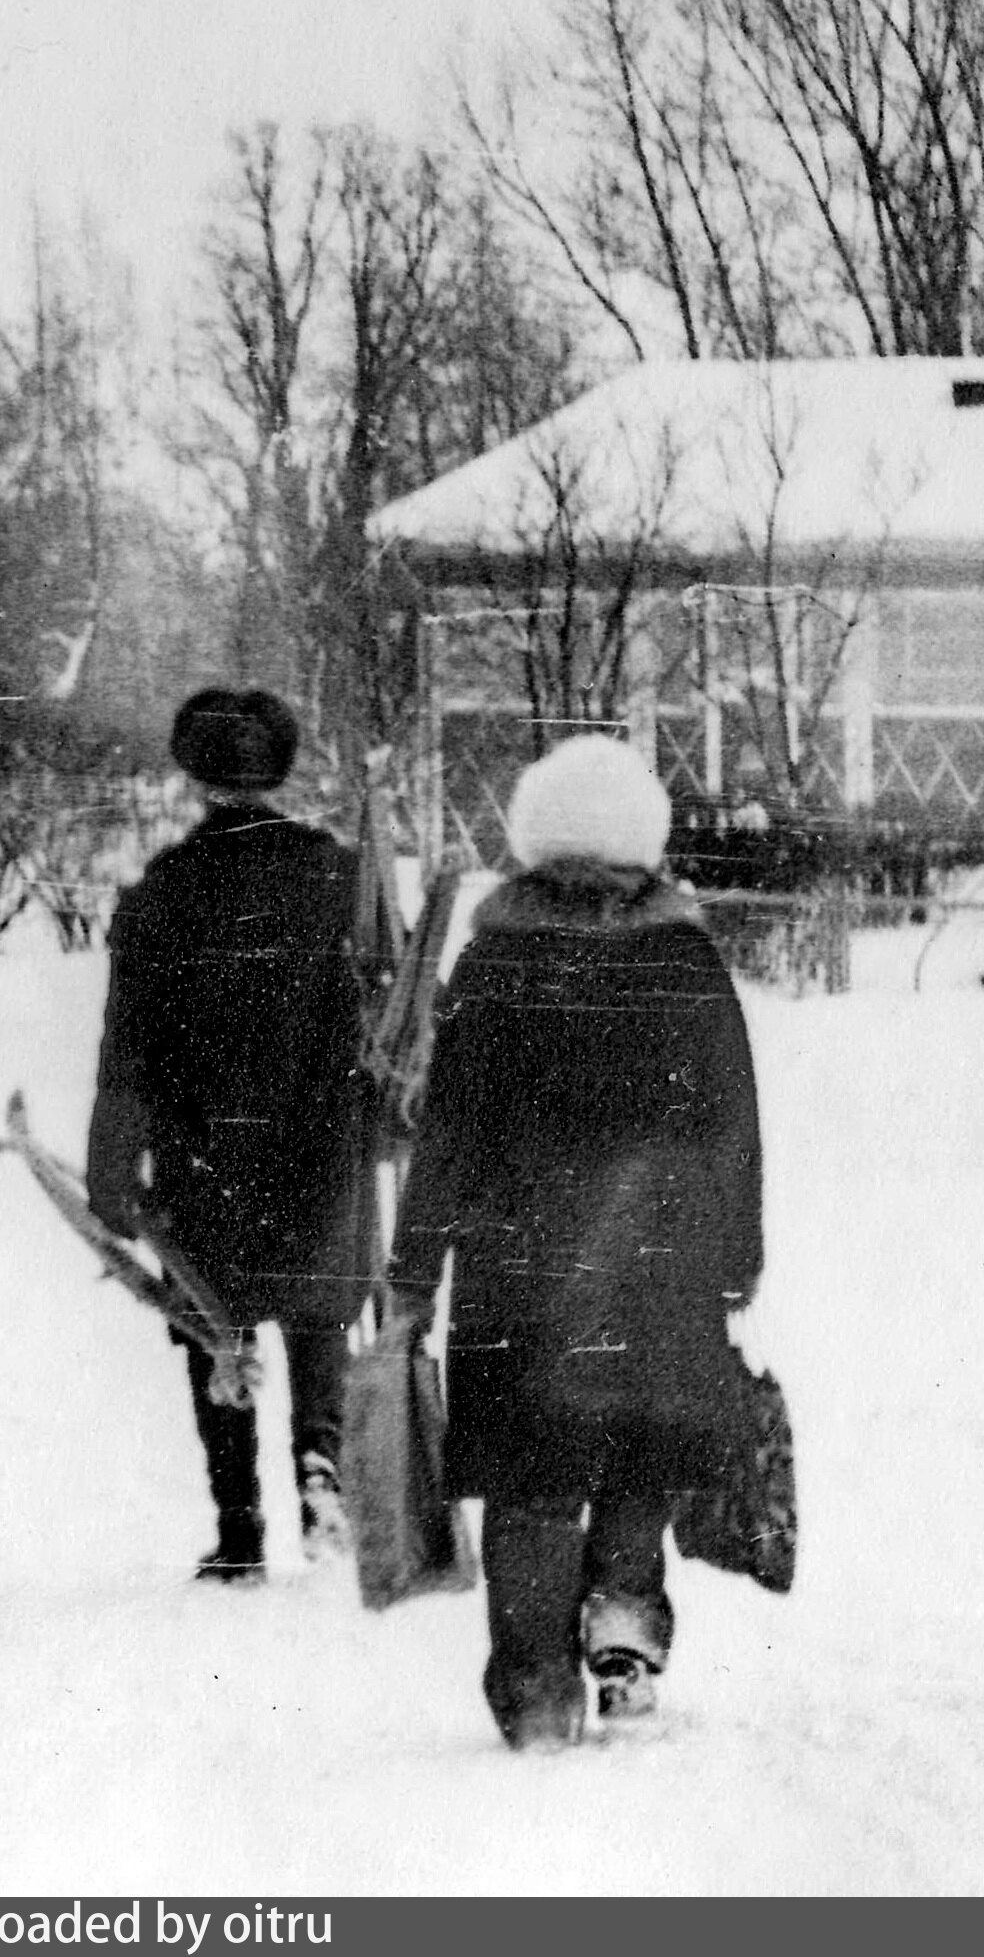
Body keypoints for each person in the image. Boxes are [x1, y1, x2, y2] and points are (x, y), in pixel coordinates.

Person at [387, 732, 762, 1749]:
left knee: (533, 1477)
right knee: (640, 1447)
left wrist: (414, 1265)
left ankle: (536, 1688)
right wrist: (737, 1251)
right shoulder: (685, 958)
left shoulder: (495, 959)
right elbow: (733, 1121)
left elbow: (450, 1131)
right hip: (659, 1260)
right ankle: (626, 1623)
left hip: (522, 1270)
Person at [86, 686, 377, 1583]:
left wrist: (110, 1169)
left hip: (204, 1150)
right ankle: (322, 1468)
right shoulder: (342, 876)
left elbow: (127, 1048)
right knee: (319, 1314)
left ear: (196, 776)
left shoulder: (162, 891)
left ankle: (240, 1531)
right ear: (279, 772)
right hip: (320, 1142)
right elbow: (387, 1009)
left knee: (214, 1317)